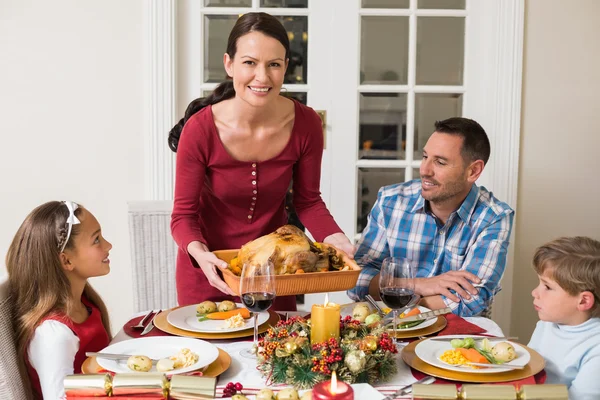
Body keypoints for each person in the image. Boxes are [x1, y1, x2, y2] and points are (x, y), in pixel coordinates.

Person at [168, 12, 353, 310]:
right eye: (249, 63)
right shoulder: (200, 129)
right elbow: (183, 217)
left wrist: (337, 238)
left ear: (285, 68)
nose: (262, 77)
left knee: (278, 357)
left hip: (278, 273)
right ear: (229, 64)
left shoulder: (305, 123)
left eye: (274, 65)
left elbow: (308, 201)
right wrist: (200, 254)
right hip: (211, 271)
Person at [347, 117, 514, 317]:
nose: (425, 170)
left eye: (440, 162)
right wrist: (418, 285)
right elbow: (355, 279)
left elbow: (472, 301)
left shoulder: (494, 217)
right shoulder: (391, 202)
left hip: (457, 337)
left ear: (473, 171)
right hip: (389, 331)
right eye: (425, 157)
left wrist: (401, 298)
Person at [6, 201, 112, 399]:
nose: (108, 245)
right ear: (66, 260)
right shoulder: (54, 335)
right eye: (96, 239)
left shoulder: (85, 304)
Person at [528, 237, 600, 400]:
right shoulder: (547, 324)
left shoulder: (596, 348)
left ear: (583, 301)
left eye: (547, 287)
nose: (535, 292)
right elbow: (528, 369)